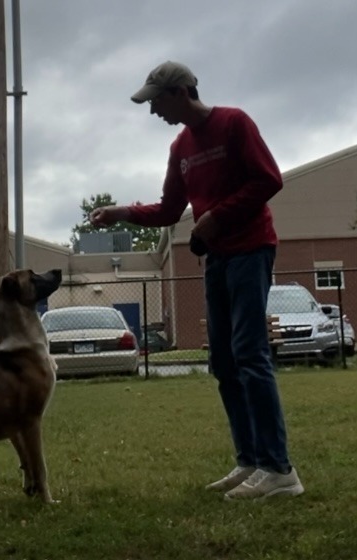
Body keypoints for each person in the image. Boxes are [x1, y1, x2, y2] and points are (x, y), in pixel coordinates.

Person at [90, 61, 304, 500]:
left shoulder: (234, 123)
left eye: (157, 101)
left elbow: (269, 179)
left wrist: (216, 218)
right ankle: (249, 462)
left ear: (182, 92)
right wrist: (122, 212)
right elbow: (169, 211)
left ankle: (280, 469)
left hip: (251, 249)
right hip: (219, 259)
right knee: (223, 362)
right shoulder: (180, 147)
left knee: (249, 352)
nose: (153, 112)